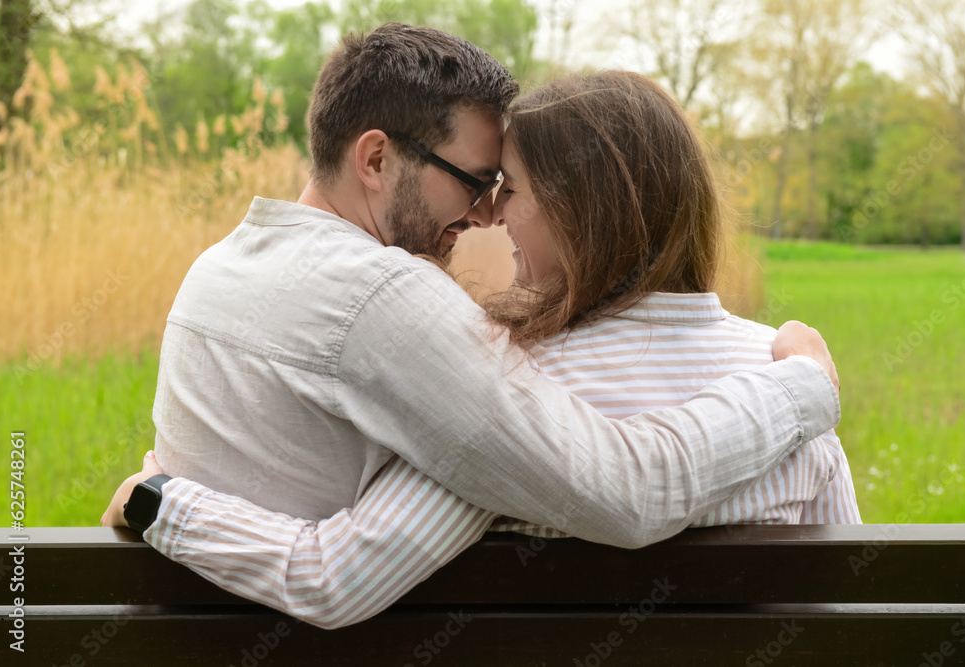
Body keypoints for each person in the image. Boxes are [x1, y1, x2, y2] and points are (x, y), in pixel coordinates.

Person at [104, 25, 843, 600]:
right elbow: (628, 491)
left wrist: (159, 502)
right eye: (475, 180)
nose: (484, 214)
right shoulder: (386, 300)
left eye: (502, 186)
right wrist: (799, 388)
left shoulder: (214, 269)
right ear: (375, 160)